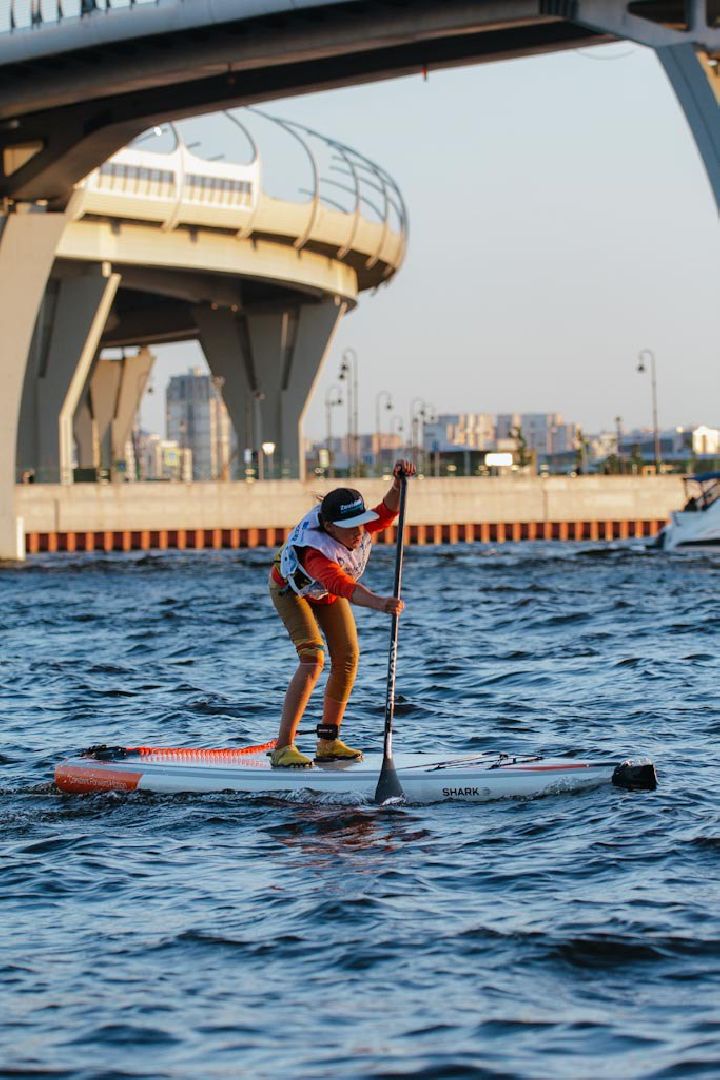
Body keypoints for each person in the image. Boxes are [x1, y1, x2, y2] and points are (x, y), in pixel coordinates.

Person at [268, 459, 415, 768]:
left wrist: (398, 485)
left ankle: (328, 742)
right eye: (349, 529)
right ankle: (283, 748)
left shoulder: (355, 524)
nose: (358, 534)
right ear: (330, 527)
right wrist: (380, 603)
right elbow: (342, 585)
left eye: (359, 524)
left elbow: (387, 511)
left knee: (348, 657)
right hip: (291, 591)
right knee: (313, 659)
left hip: (326, 593)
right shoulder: (316, 552)